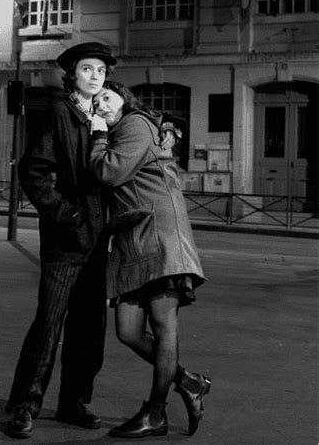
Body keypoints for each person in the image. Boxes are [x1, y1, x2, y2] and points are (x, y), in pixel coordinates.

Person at [5, 42, 117, 439]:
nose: (95, 77)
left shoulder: (105, 116)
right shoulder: (59, 112)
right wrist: (65, 215)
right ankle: (23, 406)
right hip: (66, 238)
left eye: (101, 71)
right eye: (88, 69)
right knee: (48, 323)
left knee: (90, 326)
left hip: (98, 238)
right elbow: (33, 172)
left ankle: (74, 402)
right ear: (72, 74)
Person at [90, 81, 211, 438]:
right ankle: (188, 380)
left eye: (107, 97)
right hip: (133, 238)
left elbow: (107, 172)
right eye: (95, 101)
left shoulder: (135, 124)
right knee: (127, 331)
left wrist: (97, 135)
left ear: (124, 99)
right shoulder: (127, 129)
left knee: (163, 326)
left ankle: (156, 412)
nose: (100, 104)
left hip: (160, 235)